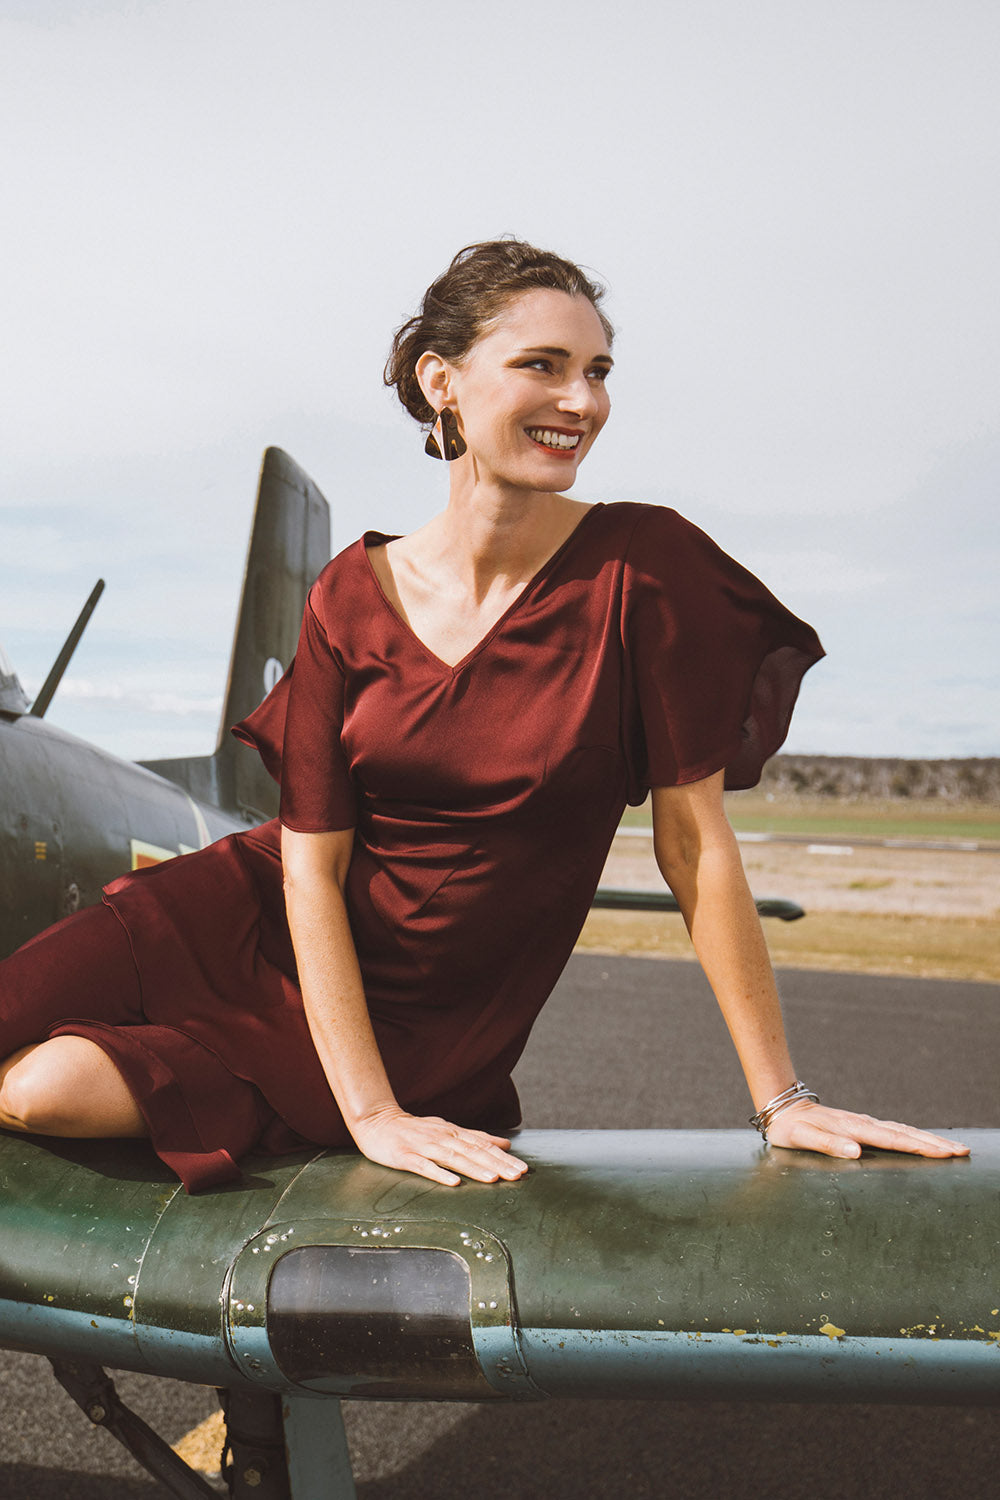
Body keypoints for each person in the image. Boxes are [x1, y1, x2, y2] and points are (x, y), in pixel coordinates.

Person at [0, 239, 967, 1192]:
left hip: (424, 1022)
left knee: (44, 1093)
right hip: (237, 919)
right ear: (442, 383)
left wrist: (780, 1099)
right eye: (541, 366)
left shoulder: (646, 569)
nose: (581, 402)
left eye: (596, 372)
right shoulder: (348, 593)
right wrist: (368, 1116)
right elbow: (309, 865)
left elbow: (695, 847)